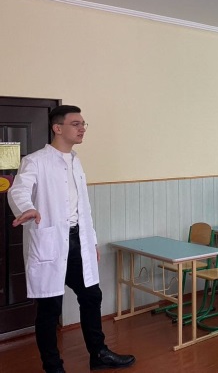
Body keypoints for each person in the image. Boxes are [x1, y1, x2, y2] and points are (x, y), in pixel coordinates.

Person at [8, 106, 135, 373]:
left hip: (79, 241)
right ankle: (53, 366)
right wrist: (27, 209)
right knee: (49, 308)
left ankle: (98, 354)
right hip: (51, 243)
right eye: (76, 124)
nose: (82, 128)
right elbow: (18, 191)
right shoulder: (35, 161)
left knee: (91, 296)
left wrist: (92, 242)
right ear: (57, 128)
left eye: (83, 124)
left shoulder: (76, 161)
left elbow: (83, 208)